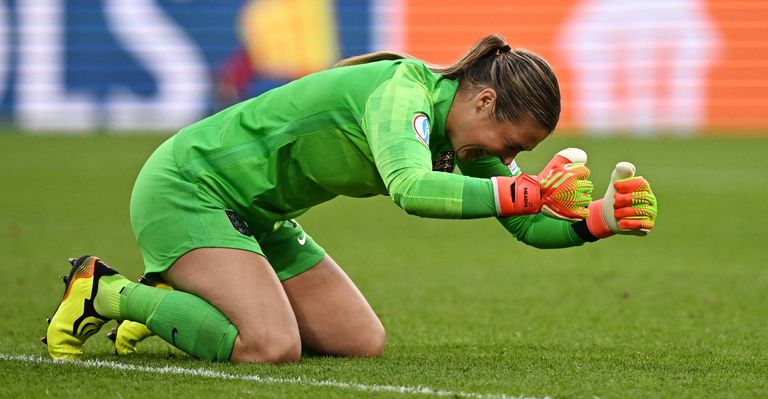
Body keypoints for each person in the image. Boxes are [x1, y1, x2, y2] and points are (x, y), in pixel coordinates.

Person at [43, 34, 657, 364]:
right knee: (270, 346)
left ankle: (191, 294)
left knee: (361, 341)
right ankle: (106, 290)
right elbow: (413, 190)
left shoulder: (469, 137)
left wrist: (598, 220)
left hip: (257, 216)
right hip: (188, 189)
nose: (507, 156)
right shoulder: (404, 95)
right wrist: (516, 190)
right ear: (486, 102)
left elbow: (524, 223)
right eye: (510, 142)